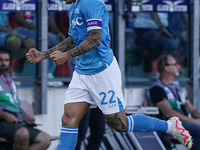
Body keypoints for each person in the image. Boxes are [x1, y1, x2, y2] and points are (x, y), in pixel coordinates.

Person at [25, 0, 193, 150]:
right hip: (82, 72)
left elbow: (95, 39)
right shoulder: (74, 6)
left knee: (119, 123)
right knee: (68, 119)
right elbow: (72, 39)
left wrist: (67, 56)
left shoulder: (91, 3)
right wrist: (43, 55)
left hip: (101, 71)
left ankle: (171, 126)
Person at [0, 47, 51, 150]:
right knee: (23, 134)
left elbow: (14, 104)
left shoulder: (9, 80)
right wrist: (5, 115)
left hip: (16, 122)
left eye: (6, 60)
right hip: (2, 122)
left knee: (45, 139)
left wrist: (25, 116)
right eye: (0, 60)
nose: (3, 63)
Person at [149, 54, 200, 150]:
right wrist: (194, 121)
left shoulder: (178, 88)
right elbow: (169, 113)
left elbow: (192, 109)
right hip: (170, 125)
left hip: (186, 122)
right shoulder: (156, 89)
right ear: (167, 68)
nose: (179, 67)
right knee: (199, 130)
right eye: (175, 64)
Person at [10, 11, 65, 86]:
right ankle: (46, 74)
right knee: (42, 40)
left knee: (58, 42)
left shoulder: (39, 3)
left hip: (35, 30)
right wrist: (39, 30)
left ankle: (49, 72)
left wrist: (57, 31)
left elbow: (46, 18)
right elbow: (19, 19)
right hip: (19, 29)